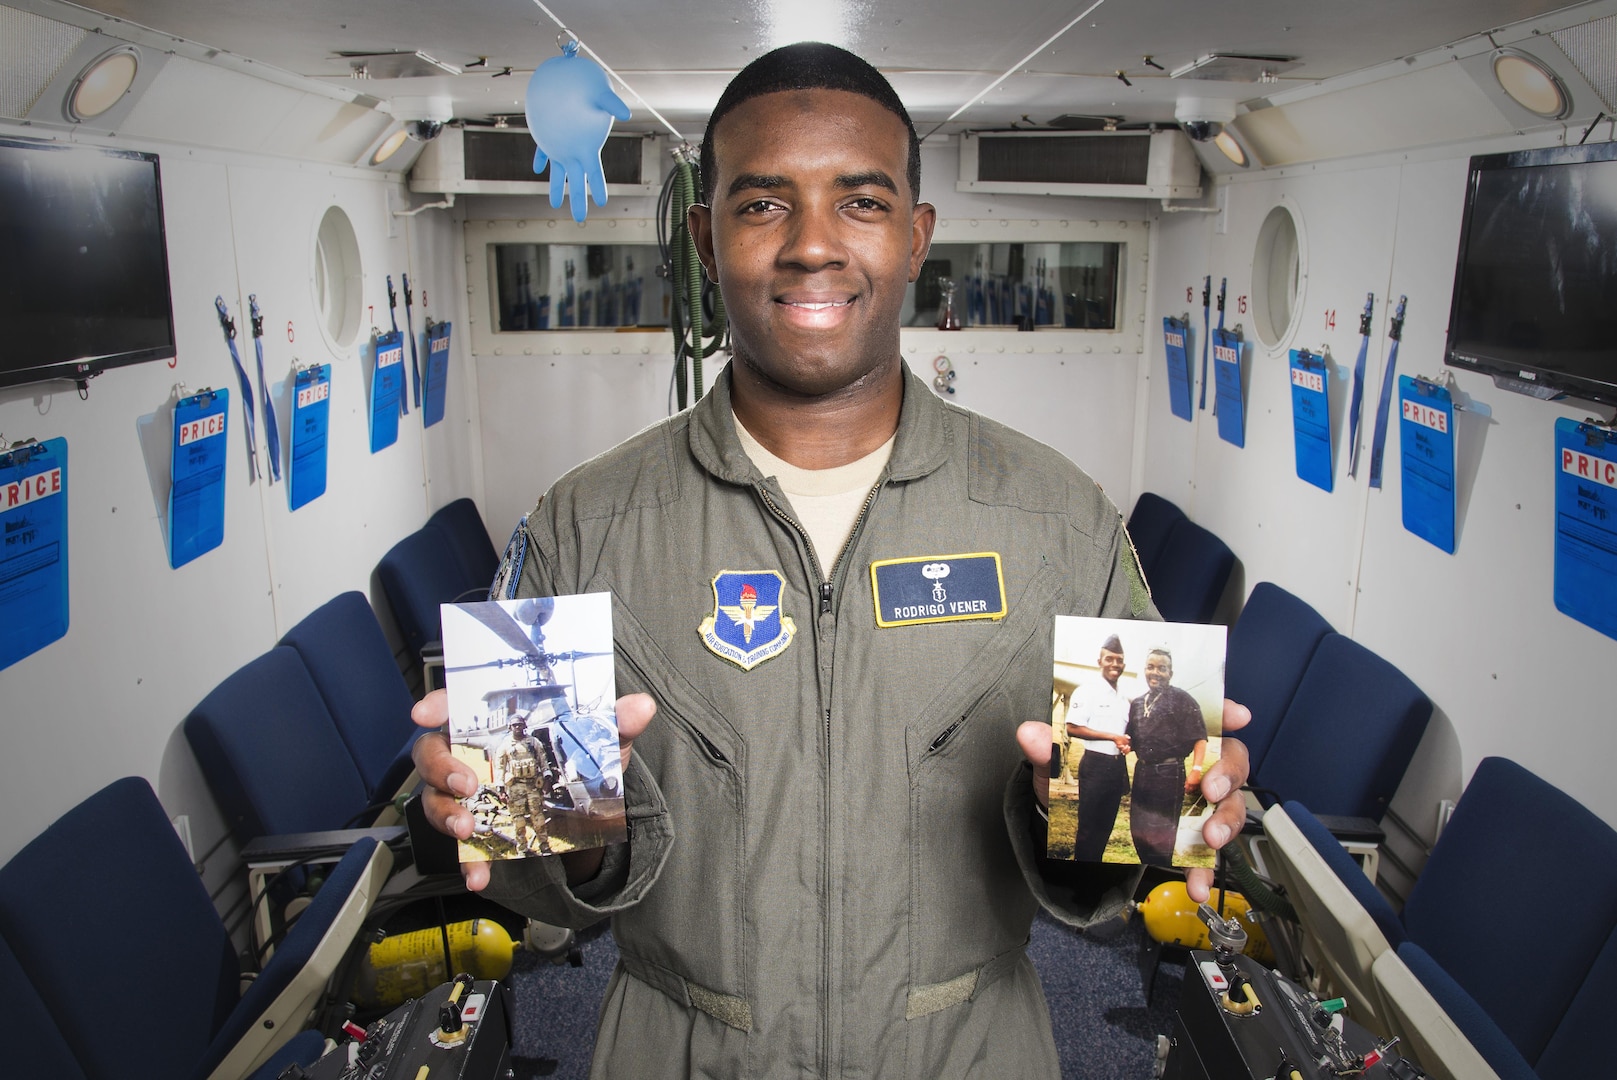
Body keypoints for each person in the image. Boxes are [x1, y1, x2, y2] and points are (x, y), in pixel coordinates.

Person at [410, 42, 1250, 1078]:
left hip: (971, 1051)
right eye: (764, 205)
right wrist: (530, 824)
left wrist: (1160, 809)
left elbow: (1119, 861)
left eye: (860, 203)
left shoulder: (1061, 522)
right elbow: (533, 870)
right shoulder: (585, 524)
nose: (814, 246)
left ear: (914, 239)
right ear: (706, 240)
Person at [1123, 648, 1209, 867]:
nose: (1155, 672)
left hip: (1169, 774)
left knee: (1161, 835)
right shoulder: (1138, 703)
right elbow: (1131, 738)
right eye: (1150, 667)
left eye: (1162, 668)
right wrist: (1125, 745)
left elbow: (1200, 738)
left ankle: (1160, 870)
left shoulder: (1182, 699)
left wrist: (1196, 772)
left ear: (1170, 673)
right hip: (1142, 772)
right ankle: (1147, 868)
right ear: (1144, 670)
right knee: (1139, 829)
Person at [1064, 633, 1133, 862]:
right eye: (1110, 659)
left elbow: (1126, 734)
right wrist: (1112, 737)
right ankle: (1079, 874)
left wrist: (1126, 743)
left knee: (1105, 828)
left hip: (1116, 768)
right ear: (1100, 662)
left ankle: (1094, 870)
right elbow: (1072, 728)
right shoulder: (1087, 690)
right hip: (1095, 764)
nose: (1115, 664)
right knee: (1087, 829)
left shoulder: (1124, 697)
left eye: (1119, 660)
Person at [494, 715, 555, 854]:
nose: (517, 727)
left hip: (533, 785)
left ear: (524, 726)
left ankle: (544, 846)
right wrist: (500, 788)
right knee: (518, 820)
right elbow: (500, 767)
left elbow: (543, 761)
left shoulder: (534, 742)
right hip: (515, 788)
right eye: (514, 725)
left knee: (538, 817)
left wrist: (547, 778)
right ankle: (522, 848)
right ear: (510, 727)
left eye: (520, 725)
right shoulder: (505, 745)